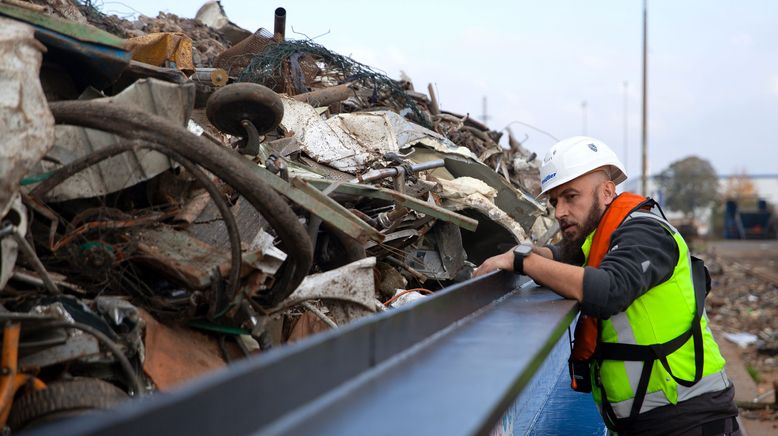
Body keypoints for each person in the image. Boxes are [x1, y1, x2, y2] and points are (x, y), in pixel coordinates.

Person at [473, 136, 739, 435]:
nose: (559, 211)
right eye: (554, 201)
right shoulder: (602, 237)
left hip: (692, 419)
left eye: (571, 197)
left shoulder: (646, 232)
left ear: (607, 191)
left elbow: (610, 290)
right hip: (648, 423)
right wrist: (522, 254)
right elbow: (564, 254)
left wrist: (523, 262)